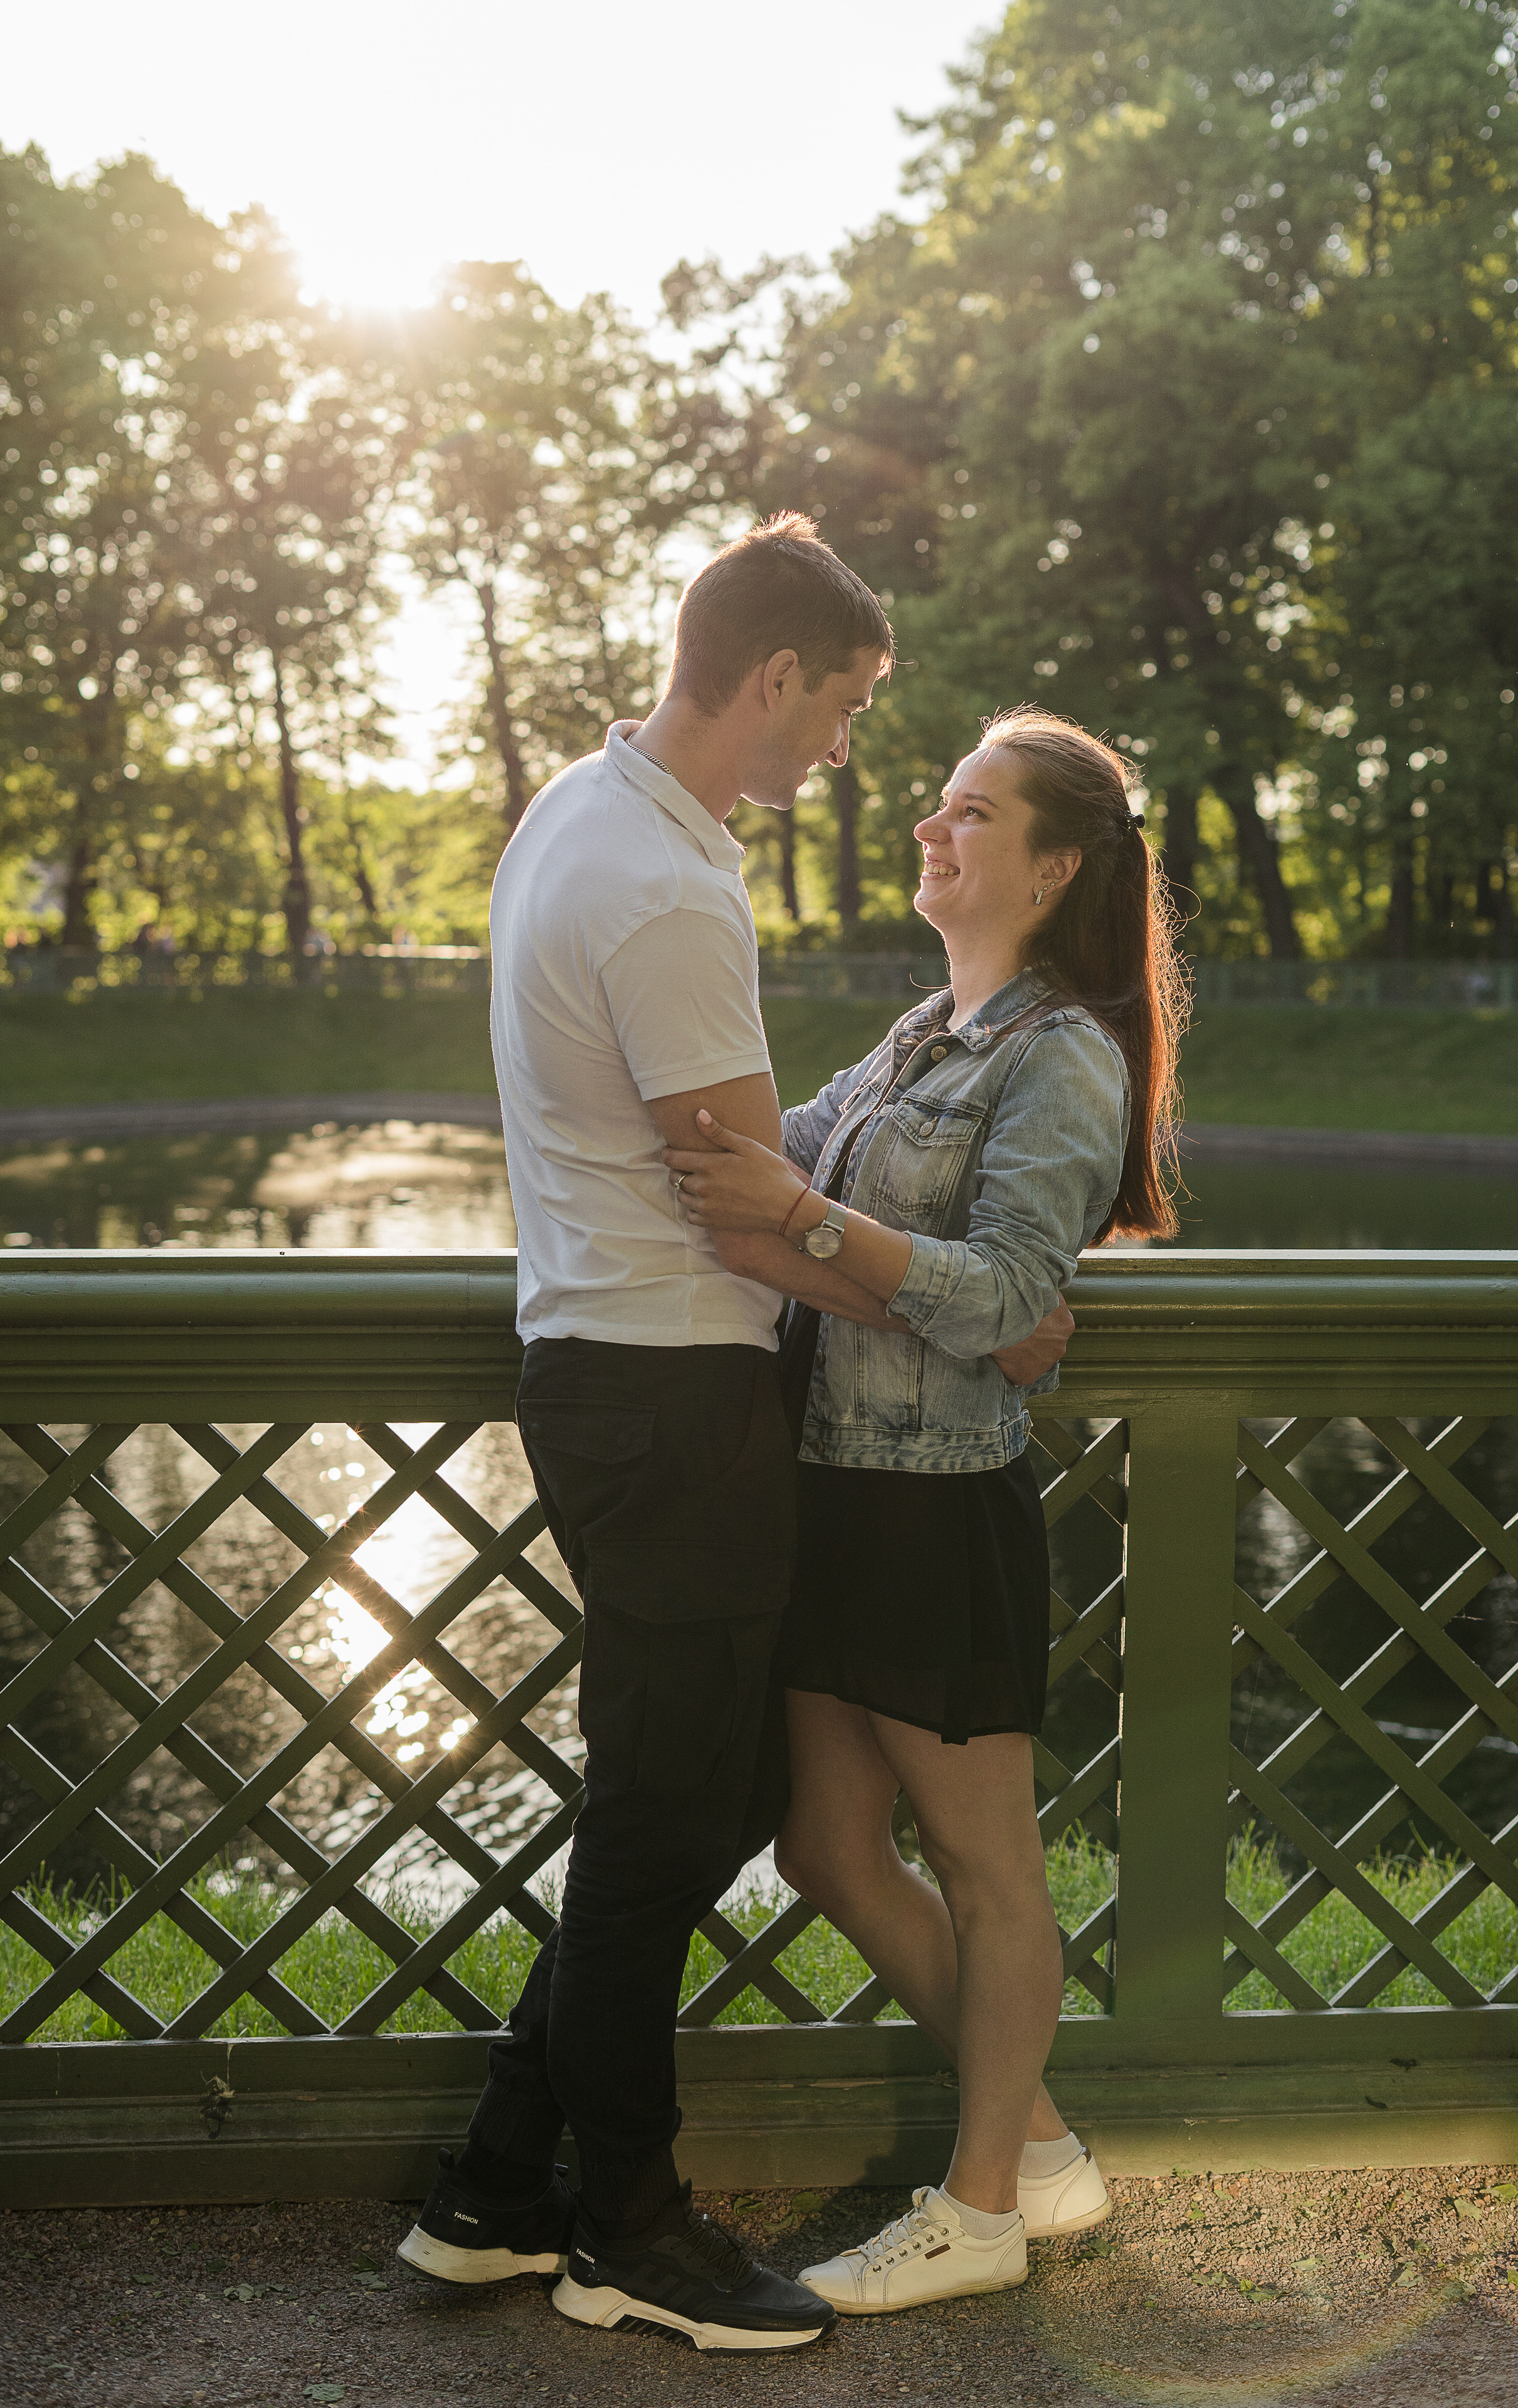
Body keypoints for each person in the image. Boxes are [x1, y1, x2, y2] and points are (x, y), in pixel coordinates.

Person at [394, 515, 1067, 2354]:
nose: (845, 749)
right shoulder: (667, 889)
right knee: (665, 1816)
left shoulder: (576, 813)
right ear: (773, 676)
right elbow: (752, 1213)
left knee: (684, 1797)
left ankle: (494, 2186)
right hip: (675, 1392)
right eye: (843, 706)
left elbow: (761, 1186)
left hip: (618, 1377)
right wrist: (987, 1318)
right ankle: (624, 2223)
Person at [664, 704, 1184, 2316]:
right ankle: (1035, 2146)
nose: (927, 829)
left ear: (1052, 867)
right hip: (828, 1489)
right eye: (937, 805)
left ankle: (977, 2211)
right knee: (828, 1846)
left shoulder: (1063, 1055)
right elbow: (756, 1163)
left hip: (936, 1507)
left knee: (986, 1867)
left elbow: (1008, 1293)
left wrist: (811, 1224)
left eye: (968, 812)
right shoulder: (919, 1037)